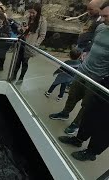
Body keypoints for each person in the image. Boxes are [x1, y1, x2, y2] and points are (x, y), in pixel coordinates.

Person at [49, 1, 109, 136]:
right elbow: (93, 43)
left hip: (97, 78)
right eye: (103, 15)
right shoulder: (100, 28)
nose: (103, 19)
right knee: (72, 95)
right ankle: (64, 113)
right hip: (83, 70)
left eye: (106, 16)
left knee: (86, 105)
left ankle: (76, 124)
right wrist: (86, 52)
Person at [57, 76, 109, 161]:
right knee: (89, 118)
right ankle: (78, 139)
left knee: (104, 131)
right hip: (103, 92)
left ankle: (91, 153)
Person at [12, 2, 47, 83]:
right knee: (17, 61)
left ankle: (21, 78)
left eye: (33, 13)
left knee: (24, 62)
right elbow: (20, 28)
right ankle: (13, 76)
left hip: (30, 44)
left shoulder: (43, 21)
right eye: (30, 12)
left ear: (38, 12)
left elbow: (42, 35)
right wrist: (22, 29)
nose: (31, 14)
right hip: (21, 42)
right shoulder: (26, 17)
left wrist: (35, 45)